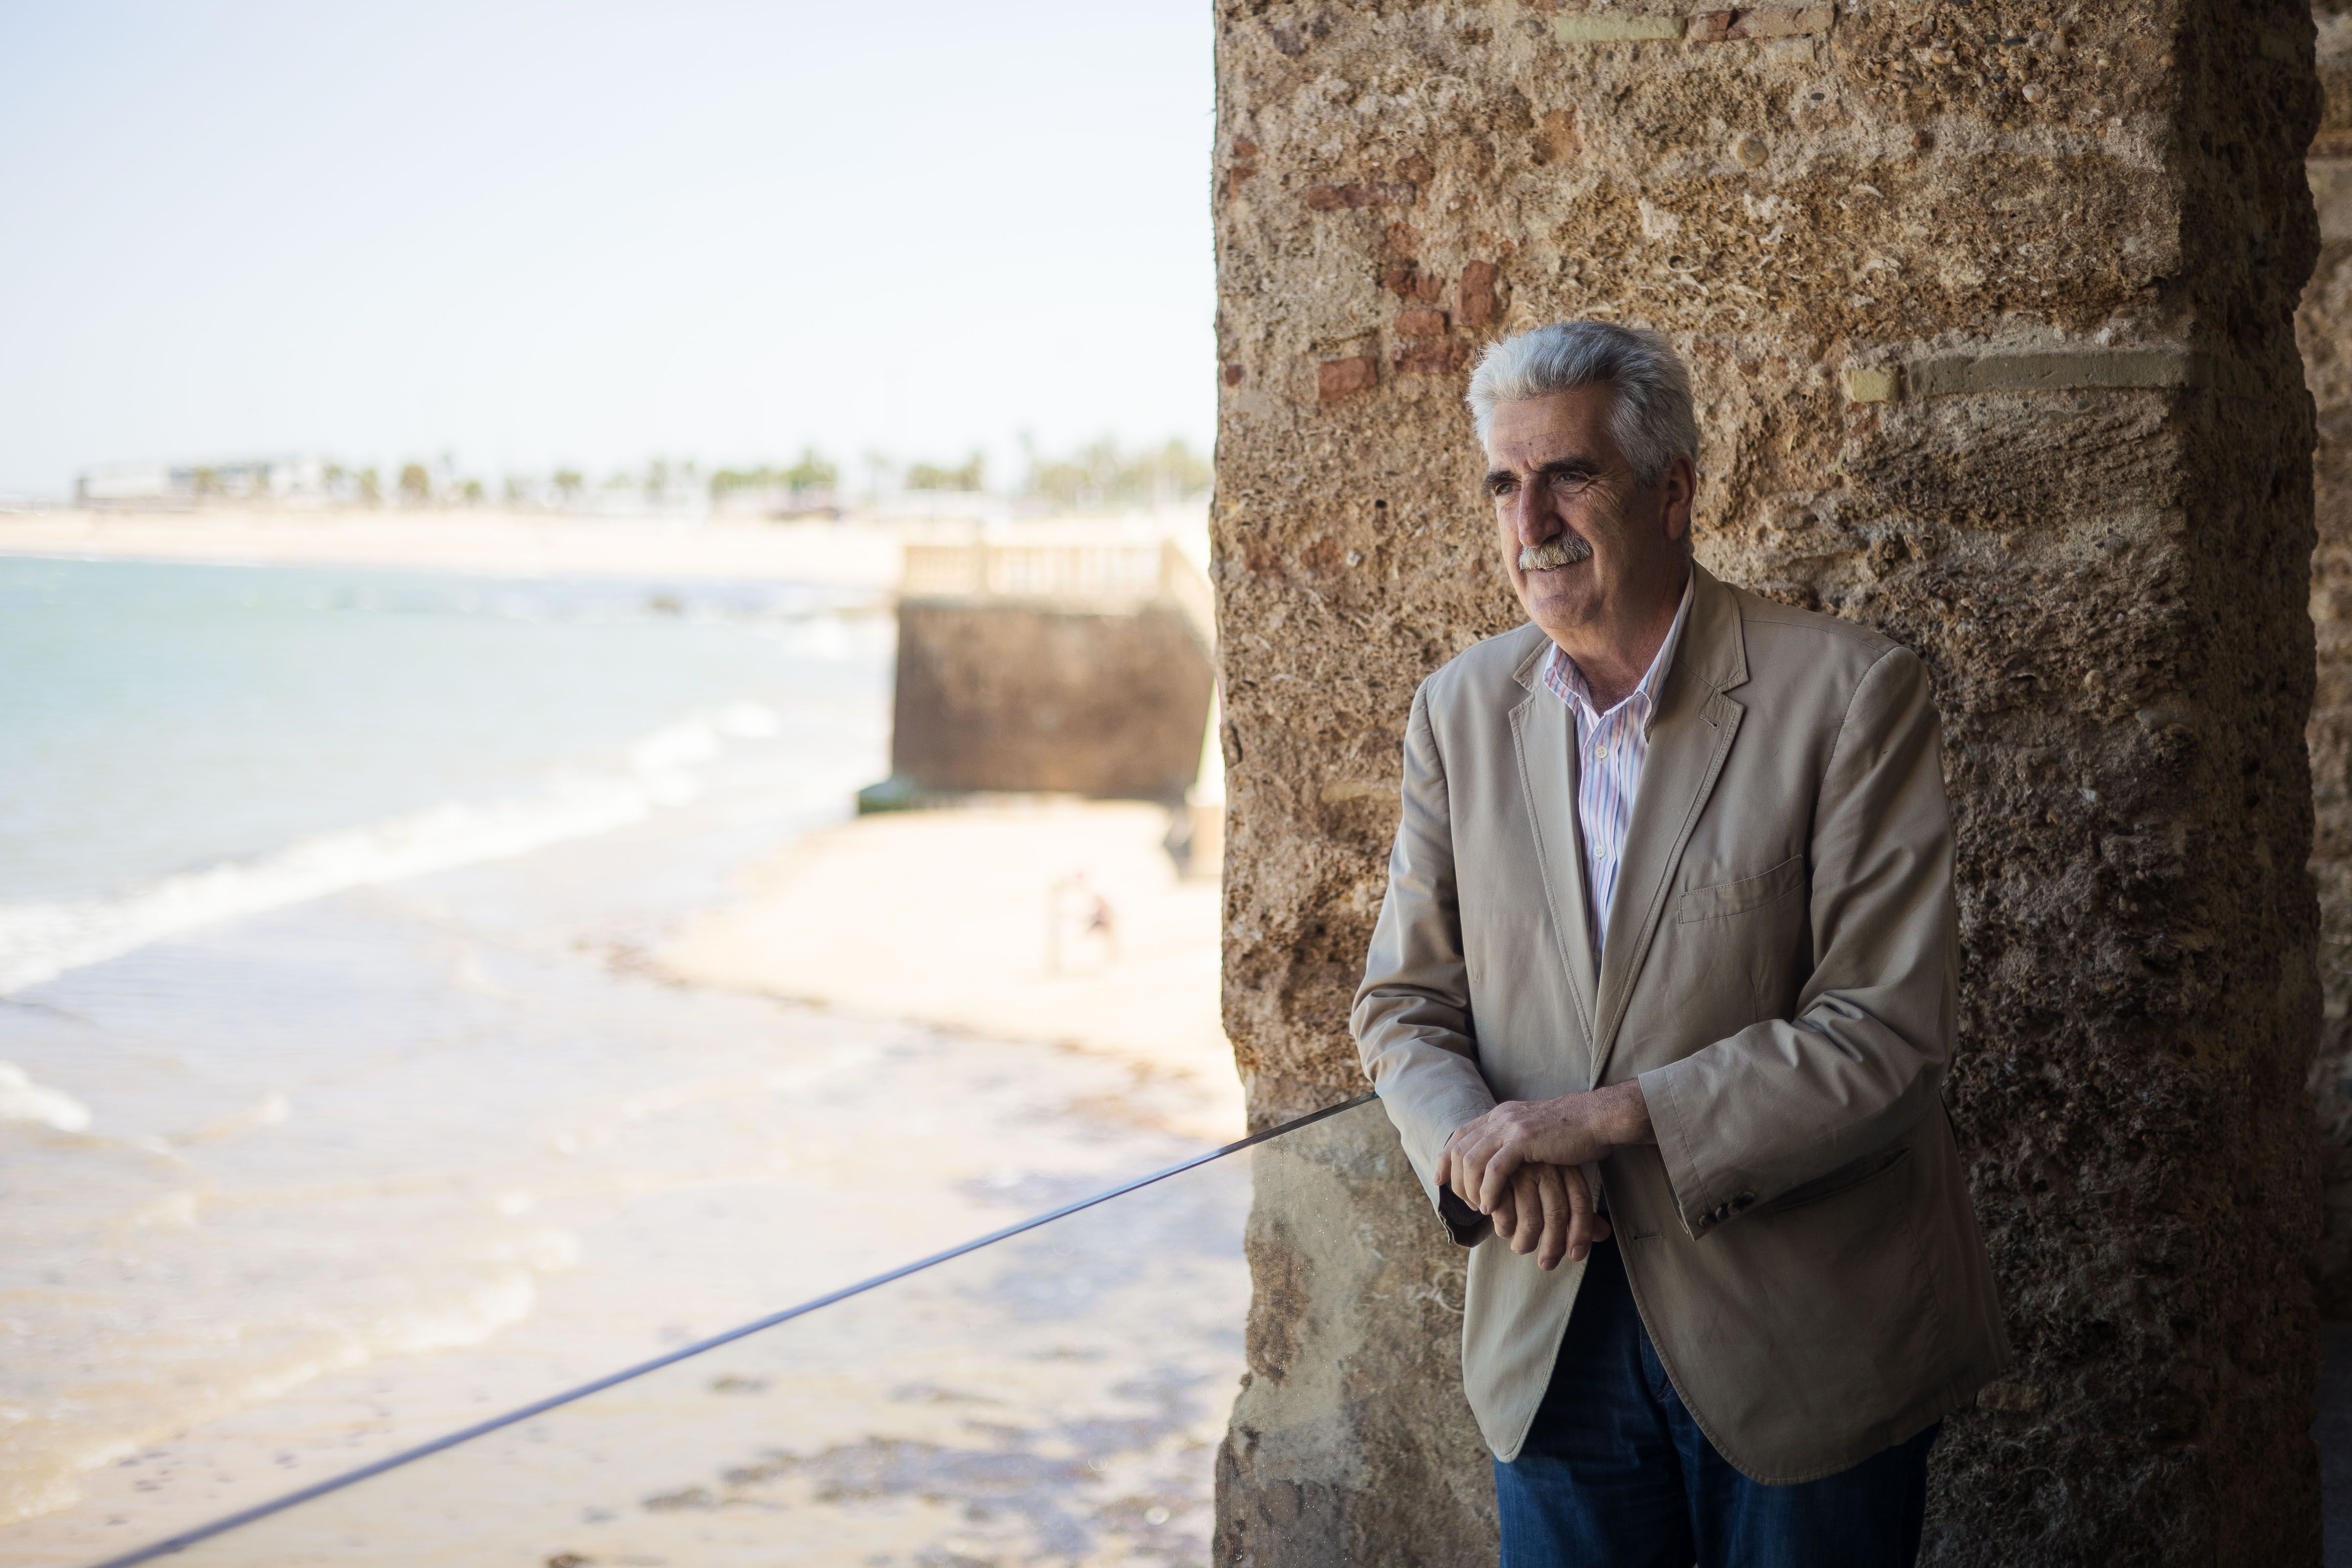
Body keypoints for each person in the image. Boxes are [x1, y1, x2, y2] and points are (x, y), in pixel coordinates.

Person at [1352, 320, 2009, 1568]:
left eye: (1569, 474)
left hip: (1799, 1337)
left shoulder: (1849, 695)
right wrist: (1482, 1150)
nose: (1529, 517)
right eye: (1503, 481)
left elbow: (1887, 1032)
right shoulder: (1456, 712)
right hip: (1548, 1341)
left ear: (1674, 489)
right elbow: (1402, 1006)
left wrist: (1593, 1120)